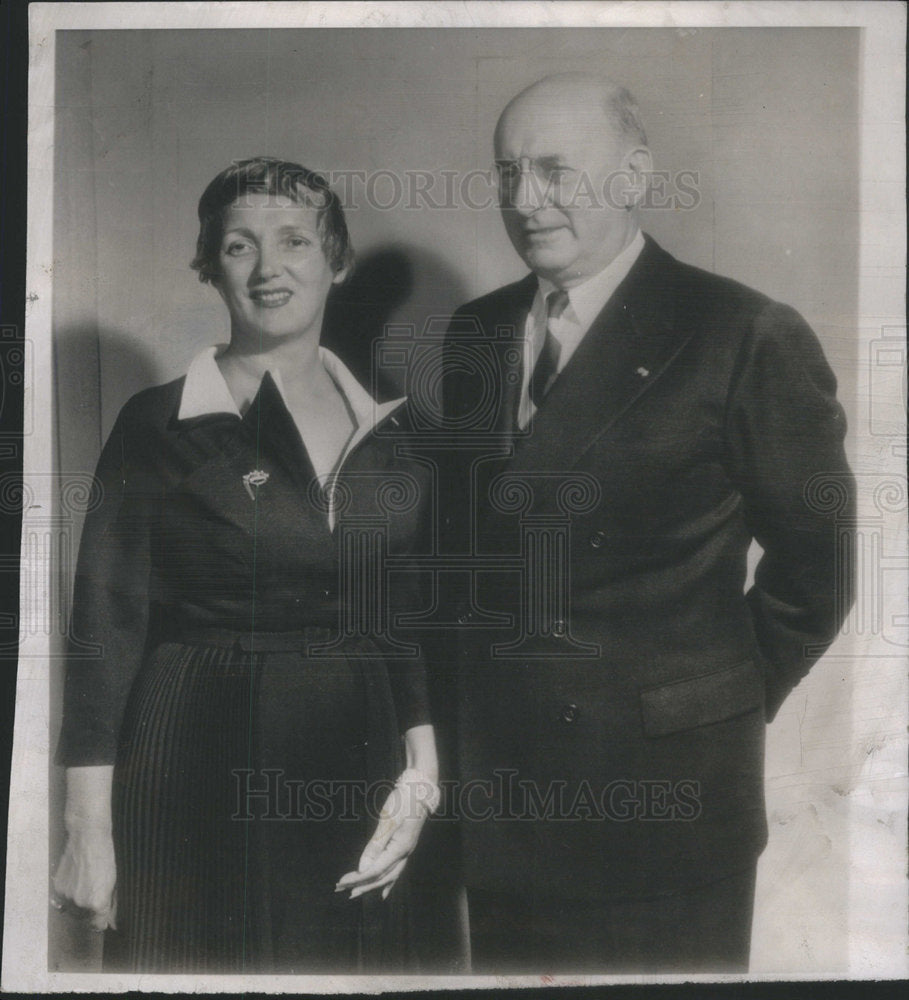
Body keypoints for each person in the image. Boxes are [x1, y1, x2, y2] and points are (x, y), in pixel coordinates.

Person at [441, 73, 855, 973]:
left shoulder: (740, 331)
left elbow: (816, 571)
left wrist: (705, 705)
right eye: (506, 172)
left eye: (554, 170)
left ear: (632, 175)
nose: (523, 199)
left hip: (665, 806)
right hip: (501, 802)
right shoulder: (473, 334)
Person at [53, 157, 439, 973]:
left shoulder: (392, 433)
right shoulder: (159, 424)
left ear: (335, 260)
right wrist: (87, 831)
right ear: (208, 266)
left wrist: (422, 769)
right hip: (195, 750)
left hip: (353, 750)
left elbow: (401, 614)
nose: (268, 268)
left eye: (294, 239)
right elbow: (103, 629)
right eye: (238, 246)